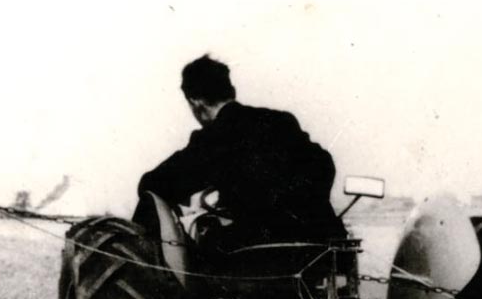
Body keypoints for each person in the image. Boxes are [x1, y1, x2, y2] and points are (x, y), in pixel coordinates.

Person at [133, 55, 341, 251]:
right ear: (230, 90)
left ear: (195, 101)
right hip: (317, 248)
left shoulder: (210, 138)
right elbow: (324, 164)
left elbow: (153, 184)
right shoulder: (281, 121)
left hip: (259, 252)